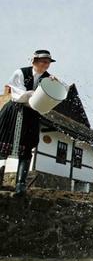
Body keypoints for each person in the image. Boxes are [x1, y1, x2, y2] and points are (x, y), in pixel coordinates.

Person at [0, 50, 66, 196]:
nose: (46, 65)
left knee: (27, 146)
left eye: (48, 62)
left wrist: (56, 83)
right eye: (43, 61)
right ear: (34, 61)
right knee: (2, 143)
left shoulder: (49, 79)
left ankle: (20, 185)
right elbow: (18, 94)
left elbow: (61, 92)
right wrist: (34, 93)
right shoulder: (21, 73)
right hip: (14, 110)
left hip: (31, 114)